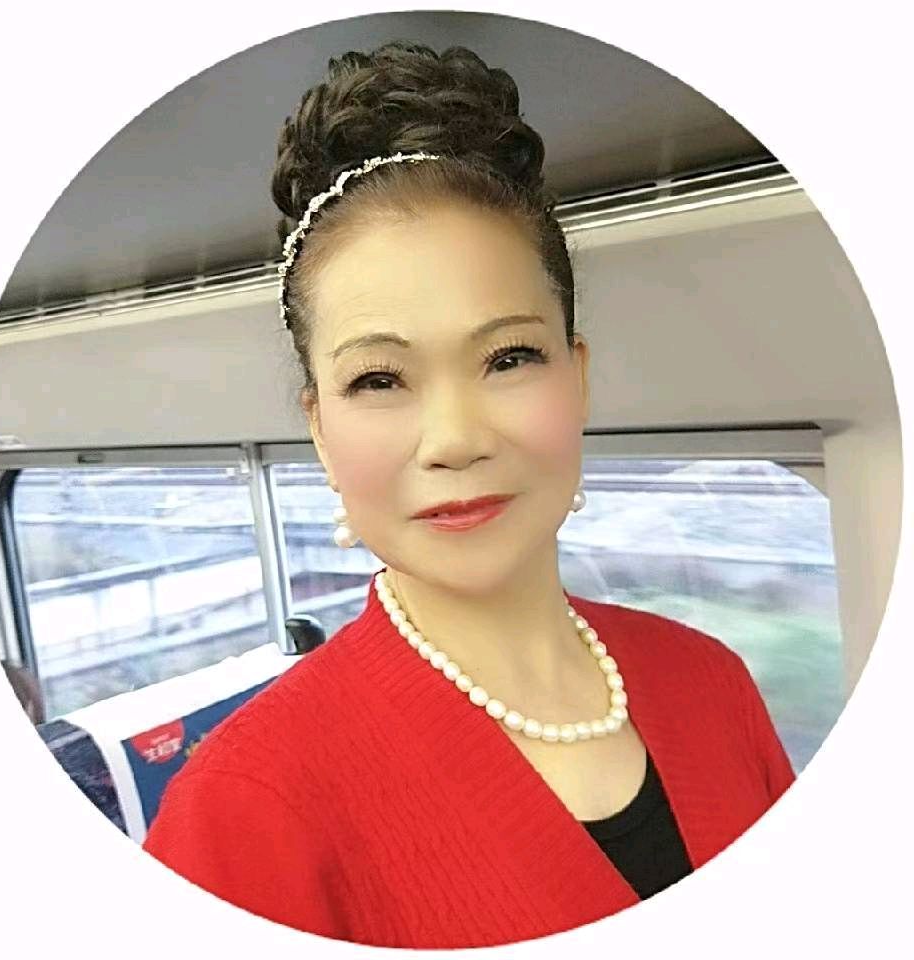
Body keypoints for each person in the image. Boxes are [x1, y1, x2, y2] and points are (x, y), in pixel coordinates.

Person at [143, 41, 795, 948]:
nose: (454, 439)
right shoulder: (240, 815)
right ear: (320, 430)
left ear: (578, 379)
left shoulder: (711, 681)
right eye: (378, 379)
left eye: (509, 358)